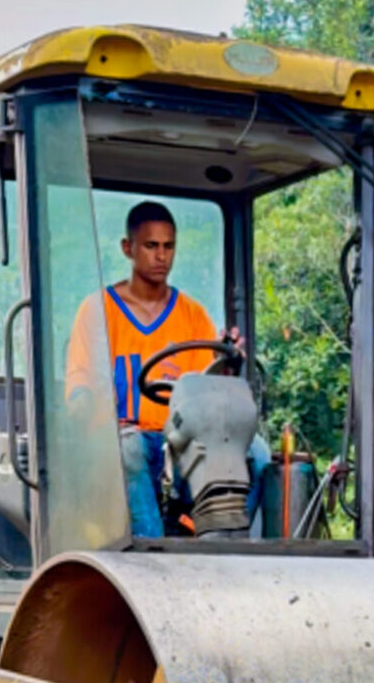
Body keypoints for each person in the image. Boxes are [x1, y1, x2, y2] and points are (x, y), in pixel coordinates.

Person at [65, 200, 265, 537]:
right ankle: (153, 558)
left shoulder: (192, 315)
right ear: (128, 248)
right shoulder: (98, 311)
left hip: (182, 444)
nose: (162, 257)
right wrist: (81, 423)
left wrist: (228, 368)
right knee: (128, 448)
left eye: (169, 246)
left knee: (258, 454)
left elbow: (206, 391)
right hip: (121, 444)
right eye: (151, 246)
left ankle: (229, 549)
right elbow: (80, 383)